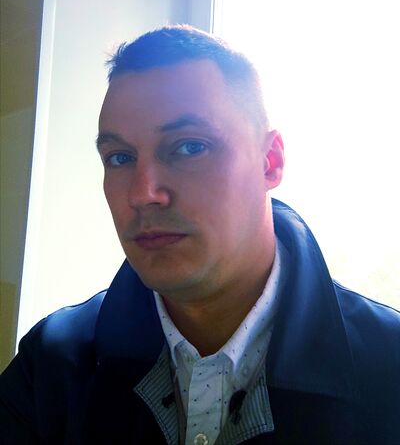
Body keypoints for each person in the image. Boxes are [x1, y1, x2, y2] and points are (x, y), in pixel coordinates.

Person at [0, 25, 399, 445]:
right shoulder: (51, 364)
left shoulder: (388, 367)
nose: (142, 193)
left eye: (190, 147)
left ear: (270, 162)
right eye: (119, 157)